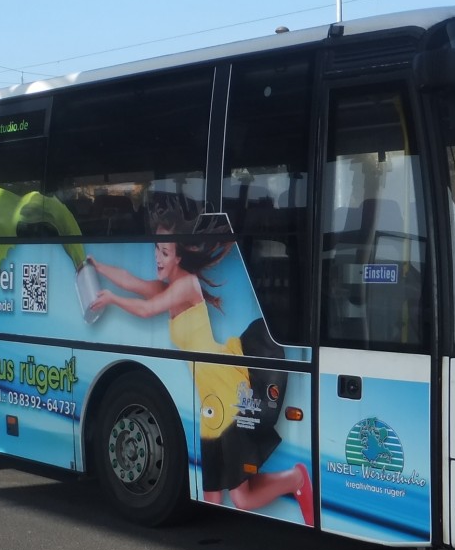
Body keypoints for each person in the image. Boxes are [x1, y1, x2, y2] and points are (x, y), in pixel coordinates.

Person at [86, 205, 314, 525]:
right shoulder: (169, 287)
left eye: (165, 252)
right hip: (209, 398)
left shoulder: (186, 286)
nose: (158, 257)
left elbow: (147, 308)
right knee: (210, 496)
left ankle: (297, 479)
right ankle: (290, 483)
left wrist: (111, 299)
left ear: (179, 256)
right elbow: (132, 281)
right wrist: (97, 265)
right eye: (156, 249)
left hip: (223, 385)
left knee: (241, 498)